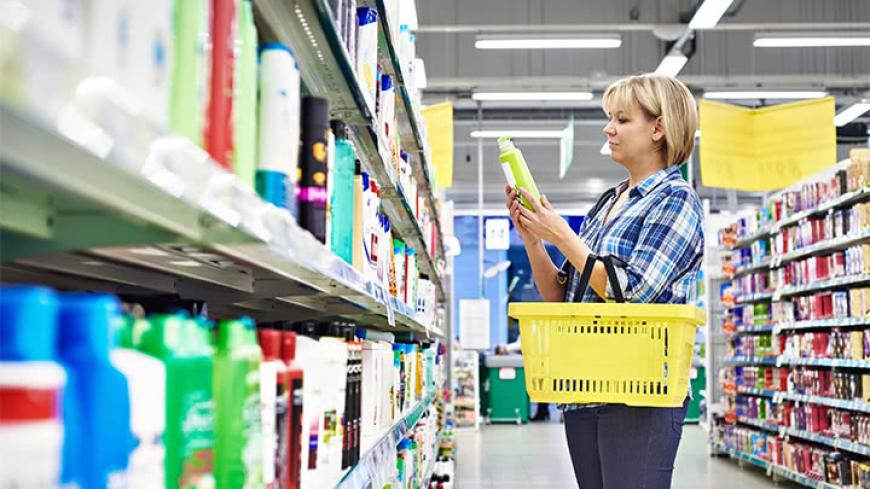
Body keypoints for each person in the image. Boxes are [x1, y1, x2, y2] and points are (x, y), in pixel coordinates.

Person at [505, 73, 703, 489]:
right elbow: (562, 295)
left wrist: (562, 234)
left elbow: (633, 293)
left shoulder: (676, 200)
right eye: (608, 118)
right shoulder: (608, 202)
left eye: (622, 119)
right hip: (587, 386)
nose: (608, 129)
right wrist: (533, 238)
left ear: (659, 128)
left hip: (641, 392)